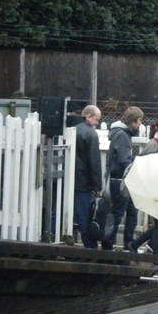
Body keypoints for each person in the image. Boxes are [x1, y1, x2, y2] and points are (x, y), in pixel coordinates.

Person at [126, 115, 158, 273]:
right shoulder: (154, 145)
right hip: (153, 191)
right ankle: (155, 261)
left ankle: (134, 245)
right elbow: (145, 168)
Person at [105, 106, 143, 250]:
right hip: (121, 180)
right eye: (138, 121)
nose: (139, 124)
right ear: (132, 121)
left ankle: (129, 243)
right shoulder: (122, 135)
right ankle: (109, 244)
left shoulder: (121, 133)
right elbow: (123, 159)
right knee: (119, 213)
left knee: (131, 211)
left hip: (122, 179)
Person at [74, 105, 103, 249]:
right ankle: (90, 247)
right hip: (84, 183)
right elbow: (94, 162)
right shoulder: (91, 134)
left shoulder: (73, 130)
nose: (97, 123)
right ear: (89, 116)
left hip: (71, 179)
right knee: (86, 217)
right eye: (96, 119)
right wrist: (97, 186)